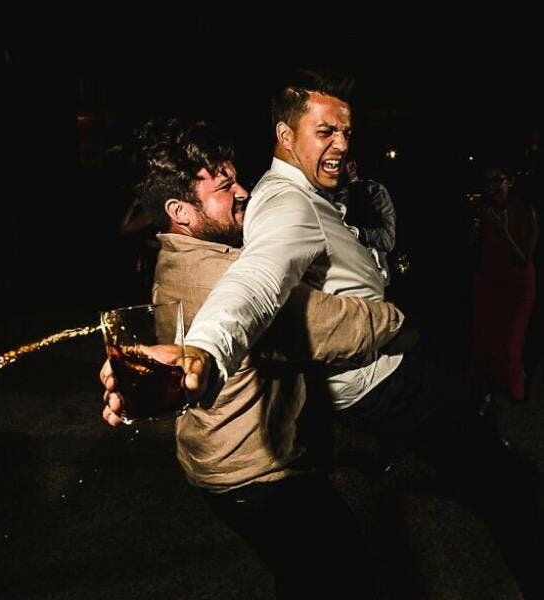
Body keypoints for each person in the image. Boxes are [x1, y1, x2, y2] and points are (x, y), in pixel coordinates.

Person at [102, 70, 544, 597]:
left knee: (313, 575)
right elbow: (261, 285)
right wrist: (204, 348)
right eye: (324, 131)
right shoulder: (275, 213)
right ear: (286, 136)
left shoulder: (195, 244)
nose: (340, 143)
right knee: (368, 563)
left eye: (346, 131)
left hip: (247, 462)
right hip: (262, 469)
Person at [101, 118, 407, 598]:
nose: (244, 190)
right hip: (262, 475)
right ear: (180, 210)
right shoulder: (221, 275)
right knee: (350, 579)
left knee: (300, 578)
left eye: (236, 177)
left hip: (217, 466)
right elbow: (331, 326)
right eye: (225, 187)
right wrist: (397, 317)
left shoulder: (173, 254)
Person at [470, 164, 538, 409]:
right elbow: (476, 250)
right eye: (488, 181)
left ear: (509, 182)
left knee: (512, 341)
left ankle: (516, 387)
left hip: (518, 286)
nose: (492, 187)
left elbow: (523, 258)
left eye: (497, 180)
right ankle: (486, 389)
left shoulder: (524, 211)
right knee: (486, 339)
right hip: (489, 282)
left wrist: (500, 230)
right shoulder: (483, 211)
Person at [332, 157, 396, 286]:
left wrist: (350, 232)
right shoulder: (324, 196)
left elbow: (387, 240)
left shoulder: (373, 190)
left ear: (352, 166)